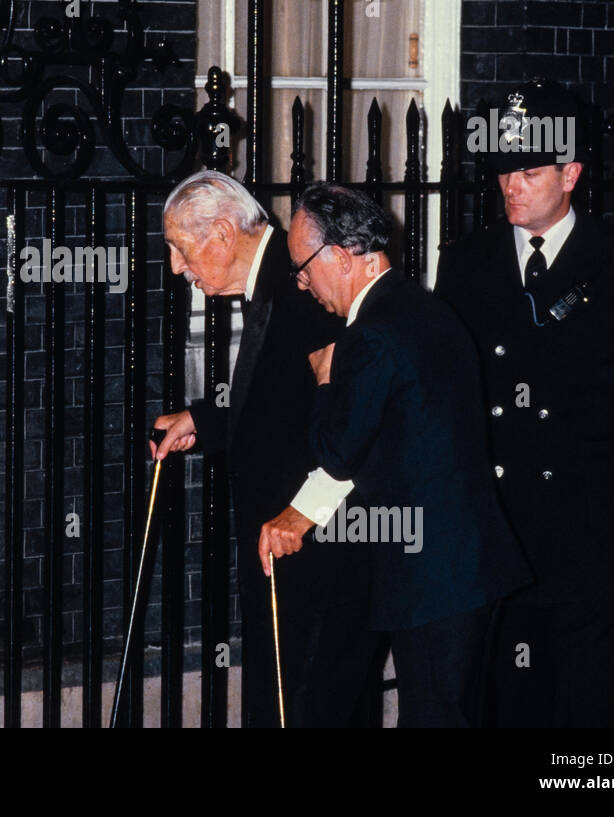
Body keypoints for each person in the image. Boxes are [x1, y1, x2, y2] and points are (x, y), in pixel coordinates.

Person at [433, 78, 614, 727]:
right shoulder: (465, 264)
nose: (511, 185)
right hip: (499, 521)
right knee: (506, 689)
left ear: (572, 173)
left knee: (583, 696)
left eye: (529, 170)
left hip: (593, 518)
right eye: (504, 169)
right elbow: (444, 386)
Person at [261, 182, 530, 727]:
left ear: (339, 255)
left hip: (434, 579)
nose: (302, 282)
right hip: (465, 568)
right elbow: (395, 438)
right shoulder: (422, 307)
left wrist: (324, 380)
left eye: (302, 267)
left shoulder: (372, 334)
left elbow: (338, 451)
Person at [151, 170, 372, 727]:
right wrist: (204, 419)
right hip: (290, 548)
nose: (177, 268)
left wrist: (301, 520)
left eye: (181, 248)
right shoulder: (271, 282)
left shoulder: (300, 284)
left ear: (223, 234)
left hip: (316, 550)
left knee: (306, 705)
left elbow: (350, 422)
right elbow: (286, 409)